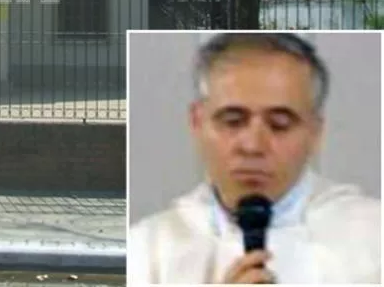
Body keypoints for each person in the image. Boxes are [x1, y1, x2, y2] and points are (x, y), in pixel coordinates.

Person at [128, 32, 381, 284]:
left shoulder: (373, 238)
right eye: (233, 121)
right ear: (197, 122)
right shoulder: (148, 249)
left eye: (279, 124)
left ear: (315, 132)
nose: (252, 146)